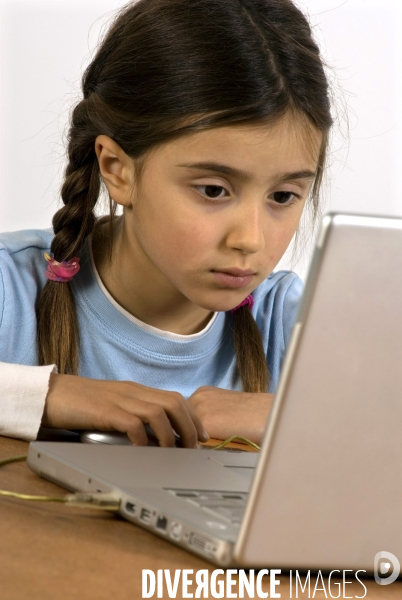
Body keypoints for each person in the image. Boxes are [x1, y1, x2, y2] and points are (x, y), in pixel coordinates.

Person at [0, 0, 332, 447]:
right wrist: (49, 394)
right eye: (213, 190)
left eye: (283, 196)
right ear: (118, 170)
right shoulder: (11, 290)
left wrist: (290, 415)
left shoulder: (292, 324)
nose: (250, 240)